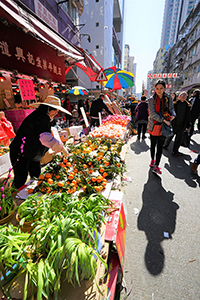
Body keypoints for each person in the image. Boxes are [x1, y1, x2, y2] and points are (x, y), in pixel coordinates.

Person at [9, 95, 71, 189]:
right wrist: (61, 147)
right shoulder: (40, 117)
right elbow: (45, 138)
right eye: (55, 110)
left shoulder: (43, 116)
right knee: (20, 179)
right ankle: (12, 199)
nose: (57, 113)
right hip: (20, 152)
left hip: (32, 153)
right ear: (48, 108)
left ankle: (32, 197)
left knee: (36, 176)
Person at [147, 80, 176, 175]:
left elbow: (171, 109)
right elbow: (152, 114)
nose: (159, 90)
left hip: (164, 127)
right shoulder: (151, 99)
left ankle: (156, 165)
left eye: (161, 88)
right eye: (157, 88)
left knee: (160, 147)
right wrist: (164, 120)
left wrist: (173, 115)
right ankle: (152, 159)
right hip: (154, 125)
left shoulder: (168, 98)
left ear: (165, 88)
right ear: (155, 89)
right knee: (153, 145)